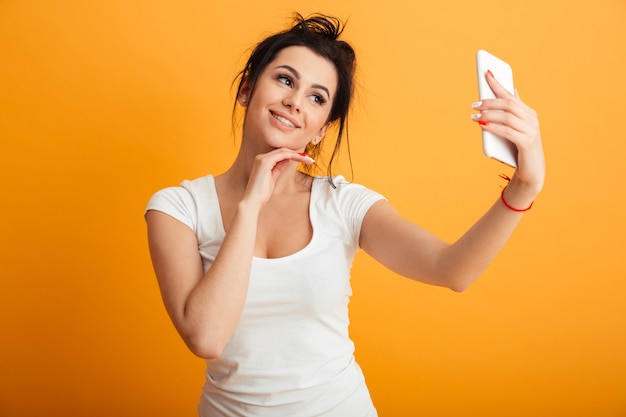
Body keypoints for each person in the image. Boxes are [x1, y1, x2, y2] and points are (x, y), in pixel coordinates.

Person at [145, 13, 545, 417]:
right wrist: (250, 207)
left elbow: (451, 270)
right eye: (285, 79)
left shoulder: (343, 203)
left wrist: (524, 187)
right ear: (247, 88)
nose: (294, 101)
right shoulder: (178, 208)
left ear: (321, 129)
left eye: (317, 98)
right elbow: (207, 338)